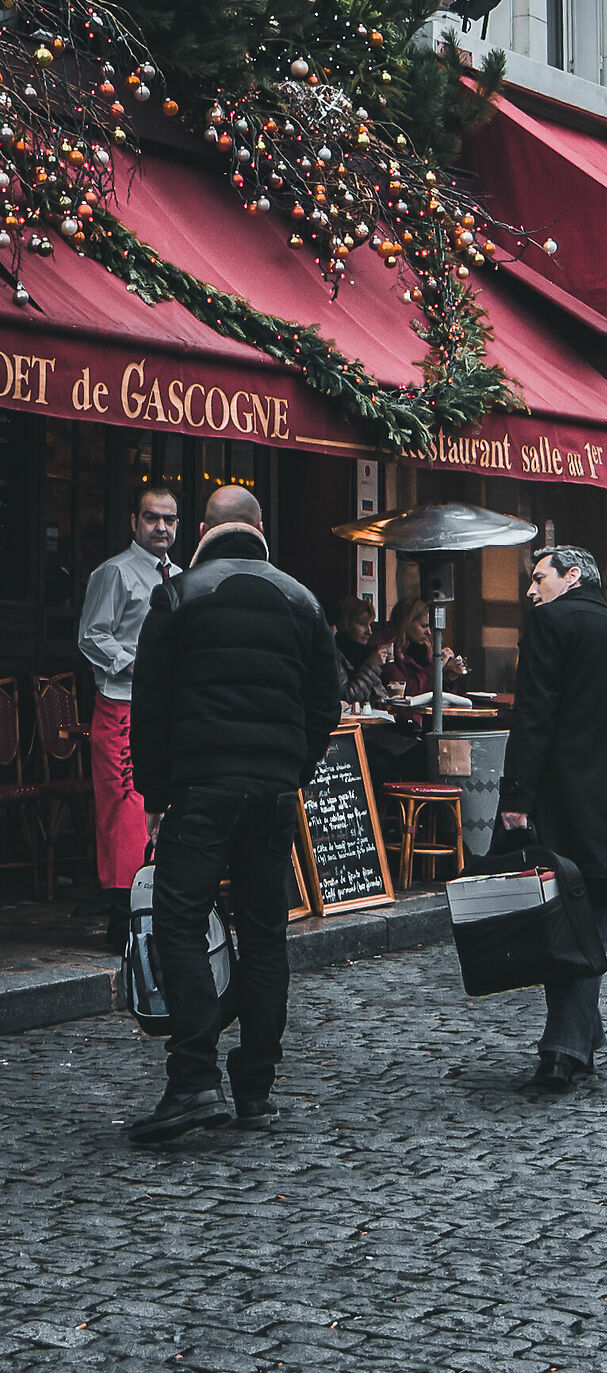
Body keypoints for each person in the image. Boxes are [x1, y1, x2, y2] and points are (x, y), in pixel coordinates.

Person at [127, 484, 341, 1147]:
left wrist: (154, 796)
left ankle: (194, 1077)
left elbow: (149, 707)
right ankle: (256, 1088)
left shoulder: (177, 595)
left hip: (201, 787)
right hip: (273, 792)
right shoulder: (303, 602)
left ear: (203, 531)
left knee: (180, 923)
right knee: (265, 934)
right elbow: (326, 705)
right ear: (259, 527)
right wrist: (293, 770)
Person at [497, 545, 607, 1098]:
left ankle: (562, 1053)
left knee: (563, 926)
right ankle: (583, 1034)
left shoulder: (550, 623)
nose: (530, 590)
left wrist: (516, 797)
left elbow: (534, 716)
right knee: (588, 921)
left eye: (538, 577)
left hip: (560, 801)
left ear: (572, 577)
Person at [77, 485, 182, 954]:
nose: (161, 527)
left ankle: (160, 907)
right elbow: (91, 635)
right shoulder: (115, 572)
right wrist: (134, 664)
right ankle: (124, 917)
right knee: (124, 809)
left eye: (169, 519)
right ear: (134, 522)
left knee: (166, 802)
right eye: (152, 517)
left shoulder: (182, 578)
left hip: (168, 708)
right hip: (121, 704)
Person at [382, 595, 467, 696]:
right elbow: (404, 693)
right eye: (424, 626)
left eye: (430, 626)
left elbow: (441, 698)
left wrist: (447, 678)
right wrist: (435, 667)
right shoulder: (387, 652)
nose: (429, 632)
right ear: (405, 623)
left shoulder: (426, 649)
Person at [332, 595, 389, 709]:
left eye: (370, 625)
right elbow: (347, 697)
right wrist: (372, 665)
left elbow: (381, 697)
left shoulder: (364, 653)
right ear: (346, 624)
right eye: (362, 624)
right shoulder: (334, 655)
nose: (369, 631)